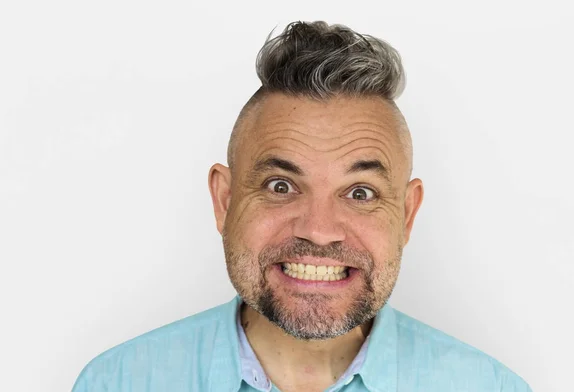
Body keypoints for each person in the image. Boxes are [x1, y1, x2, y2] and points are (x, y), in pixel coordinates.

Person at [72, 20, 531, 392]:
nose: (318, 229)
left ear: (407, 215)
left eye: (360, 193)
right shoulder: (116, 383)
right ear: (224, 200)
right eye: (280, 185)